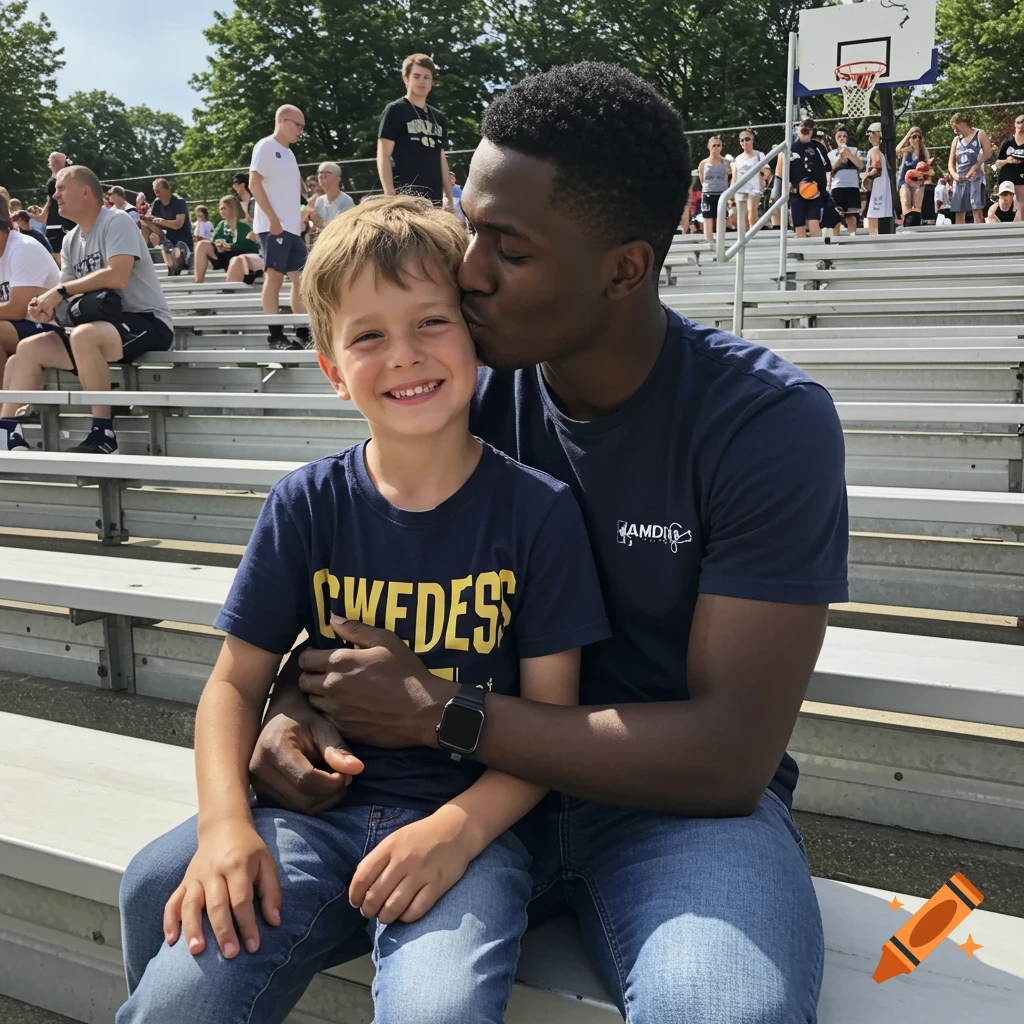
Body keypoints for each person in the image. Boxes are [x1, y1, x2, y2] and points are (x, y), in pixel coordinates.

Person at [123, 62, 847, 1023]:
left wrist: (438, 713)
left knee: (726, 1011)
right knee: (158, 889)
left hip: (663, 811)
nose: (466, 271)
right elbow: (352, 574)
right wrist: (296, 703)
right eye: (471, 226)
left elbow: (727, 757)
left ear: (623, 268)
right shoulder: (465, 380)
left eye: (506, 246)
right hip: (435, 785)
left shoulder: (763, 422)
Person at [116, 194, 609, 1022]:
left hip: (467, 832)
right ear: (334, 369)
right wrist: (226, 826)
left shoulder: (540, 511)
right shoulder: (306, 504)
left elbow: (551, 726)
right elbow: (235, 684)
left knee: (438, 1010)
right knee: (177, 989)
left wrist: (454, 830)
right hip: (316, 820)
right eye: (370, 335)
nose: (406, 355)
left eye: (431, 323)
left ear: (475, 340)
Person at [0, 165, 173, 456]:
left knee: (83, 336)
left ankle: (103, 433)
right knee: (28, 348)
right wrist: (49, 310)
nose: (54, 195)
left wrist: (60, 292)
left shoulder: (116, 221)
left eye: (61, 188)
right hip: (97, 325)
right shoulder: (70, 239)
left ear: (85, 191)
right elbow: (65, 294)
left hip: (145, 320)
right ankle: (7, 430)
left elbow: (117, 276)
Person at [249, 105, 310, 350]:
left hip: (292, 228)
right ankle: (275, 335)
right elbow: (254, 183)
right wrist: (272, 219)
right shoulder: (266, 146)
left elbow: (291, 191)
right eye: (298, 126)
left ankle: (303, 331)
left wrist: (302, 214)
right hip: (274, 226)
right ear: (283, 121)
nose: (301, 132)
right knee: (274, 277)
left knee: (301, 279)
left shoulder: (289, 154)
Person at [377, 53, 456, 213]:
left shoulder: (438, 117)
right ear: (406, 79)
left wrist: (448, 197)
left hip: (434, 200)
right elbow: (383, 155)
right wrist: (390, 195)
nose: (422, 81)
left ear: (432, 81)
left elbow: (440, 156)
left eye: (427, 77)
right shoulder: (395, 110)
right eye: (417, 76)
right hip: (404, 199)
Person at [0, 193, 61, 396]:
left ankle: (4, 413)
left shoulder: (22, 249)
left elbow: (17, 310)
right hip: (19, 329)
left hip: (51, 328)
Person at [779, 118, 830, 238]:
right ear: (798, 129)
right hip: (797, 192)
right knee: (799, 225)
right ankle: (801, 251)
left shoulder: (817, 147)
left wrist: (823, 188)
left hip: (815, 192)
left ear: (812, 131)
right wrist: (787, 182)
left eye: (809, 128)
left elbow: (827, 167)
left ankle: (817, 252)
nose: (805, 130)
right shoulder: (789, 148)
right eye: (803, 127)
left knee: (814, 223)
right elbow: (781, 170)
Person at [192, 196, 261, 284]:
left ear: (233, 208)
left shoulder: (244, 224)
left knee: (237, 259)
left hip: (242, 256)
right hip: (225, 256)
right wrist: (218, 244)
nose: (221, 211)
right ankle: (198, 281)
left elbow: (250, 244)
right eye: (220, 209)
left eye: (224, 208)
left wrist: (230, 246)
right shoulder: (221, 224)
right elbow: (213, 240)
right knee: (201, 245)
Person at [138, 178, 194, 277]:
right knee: (144, 221)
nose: (156, 193)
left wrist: (162, 221)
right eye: (155, 191)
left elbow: (178, 225)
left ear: (167, 189)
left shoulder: (179, 201)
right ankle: (144, 249)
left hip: (183, 239)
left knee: (176, 255)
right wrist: (144, 218)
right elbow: (152, 220)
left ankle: (179, 265)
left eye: (158, 190)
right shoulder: (157, 203)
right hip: (167, 238)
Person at [947, 112, 993, 225]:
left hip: (975, 178)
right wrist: (954, 174)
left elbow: (988, 153)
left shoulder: (979, 134)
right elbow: (950, 163)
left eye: (955, 126)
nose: (954, 130)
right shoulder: (956, 140)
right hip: (960, 179)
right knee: (959, 211)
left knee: (976, 210)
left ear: (962, 124)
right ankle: (959, 238)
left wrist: (975, 167)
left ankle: (980, 237)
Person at [827, 124, 865, 236]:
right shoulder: (831, 154)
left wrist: (849, 154)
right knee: (836, 216)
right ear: (835, 138)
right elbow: (831, 169)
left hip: (852, 187)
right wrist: (840, 158)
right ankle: (836, 240)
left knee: (851, 215)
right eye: (839, 136)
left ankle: (852, 236)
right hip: (837, 187)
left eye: (844, 136)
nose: (842, 138)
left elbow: (860, 165)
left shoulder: (854, 150)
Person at [731, 129, 769, 229]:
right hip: (740, 190)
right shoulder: (738, 158)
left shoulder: (759, 155)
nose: (744, 142)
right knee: (742, 219)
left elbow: (767, 171)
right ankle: (744, 241)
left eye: (747, 139)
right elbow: (734, 177)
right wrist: (731, 192)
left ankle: (754, 237)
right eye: (742, 140)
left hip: (753, 189)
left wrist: (763, 179)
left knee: (752, 215)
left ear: (752, 140)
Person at [41, 152, 75, 261]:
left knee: (61, 256)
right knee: (58, 256)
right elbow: (50, 200)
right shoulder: (54, 179)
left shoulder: (65, 178)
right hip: (57, 223)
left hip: (63, 223)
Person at [697, 135, 731, 243]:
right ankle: (709, 241)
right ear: (709, 147)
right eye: (714, 145)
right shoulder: (703, 163)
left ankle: (721, 241)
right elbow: (702, 179)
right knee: (707, 217)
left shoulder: (726, 162)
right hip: (708, 192)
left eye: (718, 145)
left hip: (721, 193)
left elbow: (727, 177)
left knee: (721, 218)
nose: (716, 148)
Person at [863, 122, 893, 234]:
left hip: (877, 188)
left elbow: (876, 169)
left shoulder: (874, 150)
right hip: (884, 188)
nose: (870, 135)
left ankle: (874, 244)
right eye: (869, 133)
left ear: (879, 134)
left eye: (872, 132)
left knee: (873, 219)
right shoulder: (884, 151)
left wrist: (865, 176)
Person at [308, 161, 355, 230]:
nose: (321, 176)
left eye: (327, 172)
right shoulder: (319, 200)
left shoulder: (346, 201)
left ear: (338, 178)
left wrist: (320, 221)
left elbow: (344, 229)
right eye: (319, 173)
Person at [994, 113, 1024, 213]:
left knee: (1021, 204)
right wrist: (1008, 160)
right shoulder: (1007, 143)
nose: (1021, 125)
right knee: (1004, 206)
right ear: (1015, 125)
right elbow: (997, 164)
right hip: (1007, 180)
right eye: (1019, 122)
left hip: (1021, 179)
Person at [899, 163, 930, 227]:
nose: (922, 181)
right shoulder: (905, 188)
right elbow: (907, 209)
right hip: (910, 217)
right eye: (921, 179)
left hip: (918, 216)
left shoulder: (922, 187)